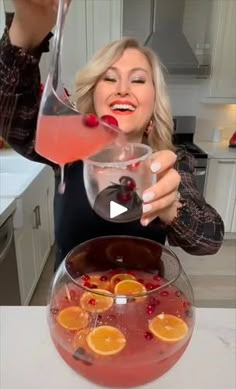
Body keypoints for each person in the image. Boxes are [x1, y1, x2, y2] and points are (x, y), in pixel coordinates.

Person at [0, 0, 224, 269]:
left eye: (138, 80)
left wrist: (170, 209)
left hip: (142, 300)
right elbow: (9, 114)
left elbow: (210, 239)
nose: (122, 88)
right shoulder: (69, 150)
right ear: (94, 96)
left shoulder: (172, 162)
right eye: (109, 78)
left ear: (155, 102)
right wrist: (25, 31)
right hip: (74, 304)